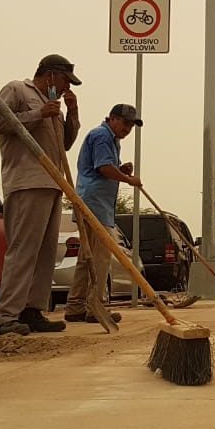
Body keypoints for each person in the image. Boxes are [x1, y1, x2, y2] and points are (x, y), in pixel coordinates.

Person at [0, 54, 82, 335]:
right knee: (23, 250)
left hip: (53, 183)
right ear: (50, 75)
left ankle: (32, 310)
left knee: (45, 253)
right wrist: (38, 114)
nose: (67, 87)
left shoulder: (54, 106)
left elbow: (64, 144)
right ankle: (6, 315)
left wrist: (72, 113)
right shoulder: (18, 89)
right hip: (27, 181)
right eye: (65, 80)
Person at [64, 104, 143, 324]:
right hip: (94, 205)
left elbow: (105, 167)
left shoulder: (111, 139)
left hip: (96, 204)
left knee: (86, 258)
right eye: (125, 123)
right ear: (113, 119)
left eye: (131, 126)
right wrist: (128, 180)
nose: (128, 129)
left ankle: (75, 306)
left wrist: (121, 170)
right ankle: (94, 307)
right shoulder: (102, 136)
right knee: (100, 258)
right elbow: (103, 168)